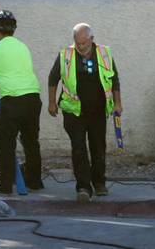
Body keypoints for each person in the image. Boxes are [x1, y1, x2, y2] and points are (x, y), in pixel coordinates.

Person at [48, 22, 122, 203]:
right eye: (77, 43)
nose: (81, 47)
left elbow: (115, 80)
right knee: (79, 147)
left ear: (92, 39)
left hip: (97, 111)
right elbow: (53, 78)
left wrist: (118, 103)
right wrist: (51, 102)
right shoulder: (66, 55)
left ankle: (99, 182)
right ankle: (83, 187)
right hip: (74, 112)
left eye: (84, 43)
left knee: (98, 146)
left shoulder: (104, 54)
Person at [0, 10, 44, 193]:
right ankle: (34, 181)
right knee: (31, 141)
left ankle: (5, 185)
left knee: (4, 142)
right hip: (33, 97)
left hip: (12, 100)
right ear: (14, 29)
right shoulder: (23, 47)